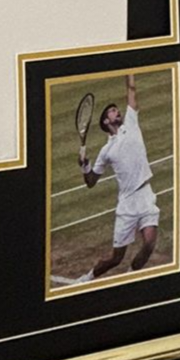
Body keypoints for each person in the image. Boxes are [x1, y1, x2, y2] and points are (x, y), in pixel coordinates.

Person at [77, 74, 159, 277]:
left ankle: (132, 275)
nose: (117, 111)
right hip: (127, 204)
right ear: (106, 121)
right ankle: (87, 278)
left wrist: (129, 70)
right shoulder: (106, 151)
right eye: (113, 111)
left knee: (149, 243)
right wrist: (85, 167)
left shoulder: (131, 122)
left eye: (117, 109)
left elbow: (131, 90)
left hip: (146, 195)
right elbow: (91, 181)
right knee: (116, 258)